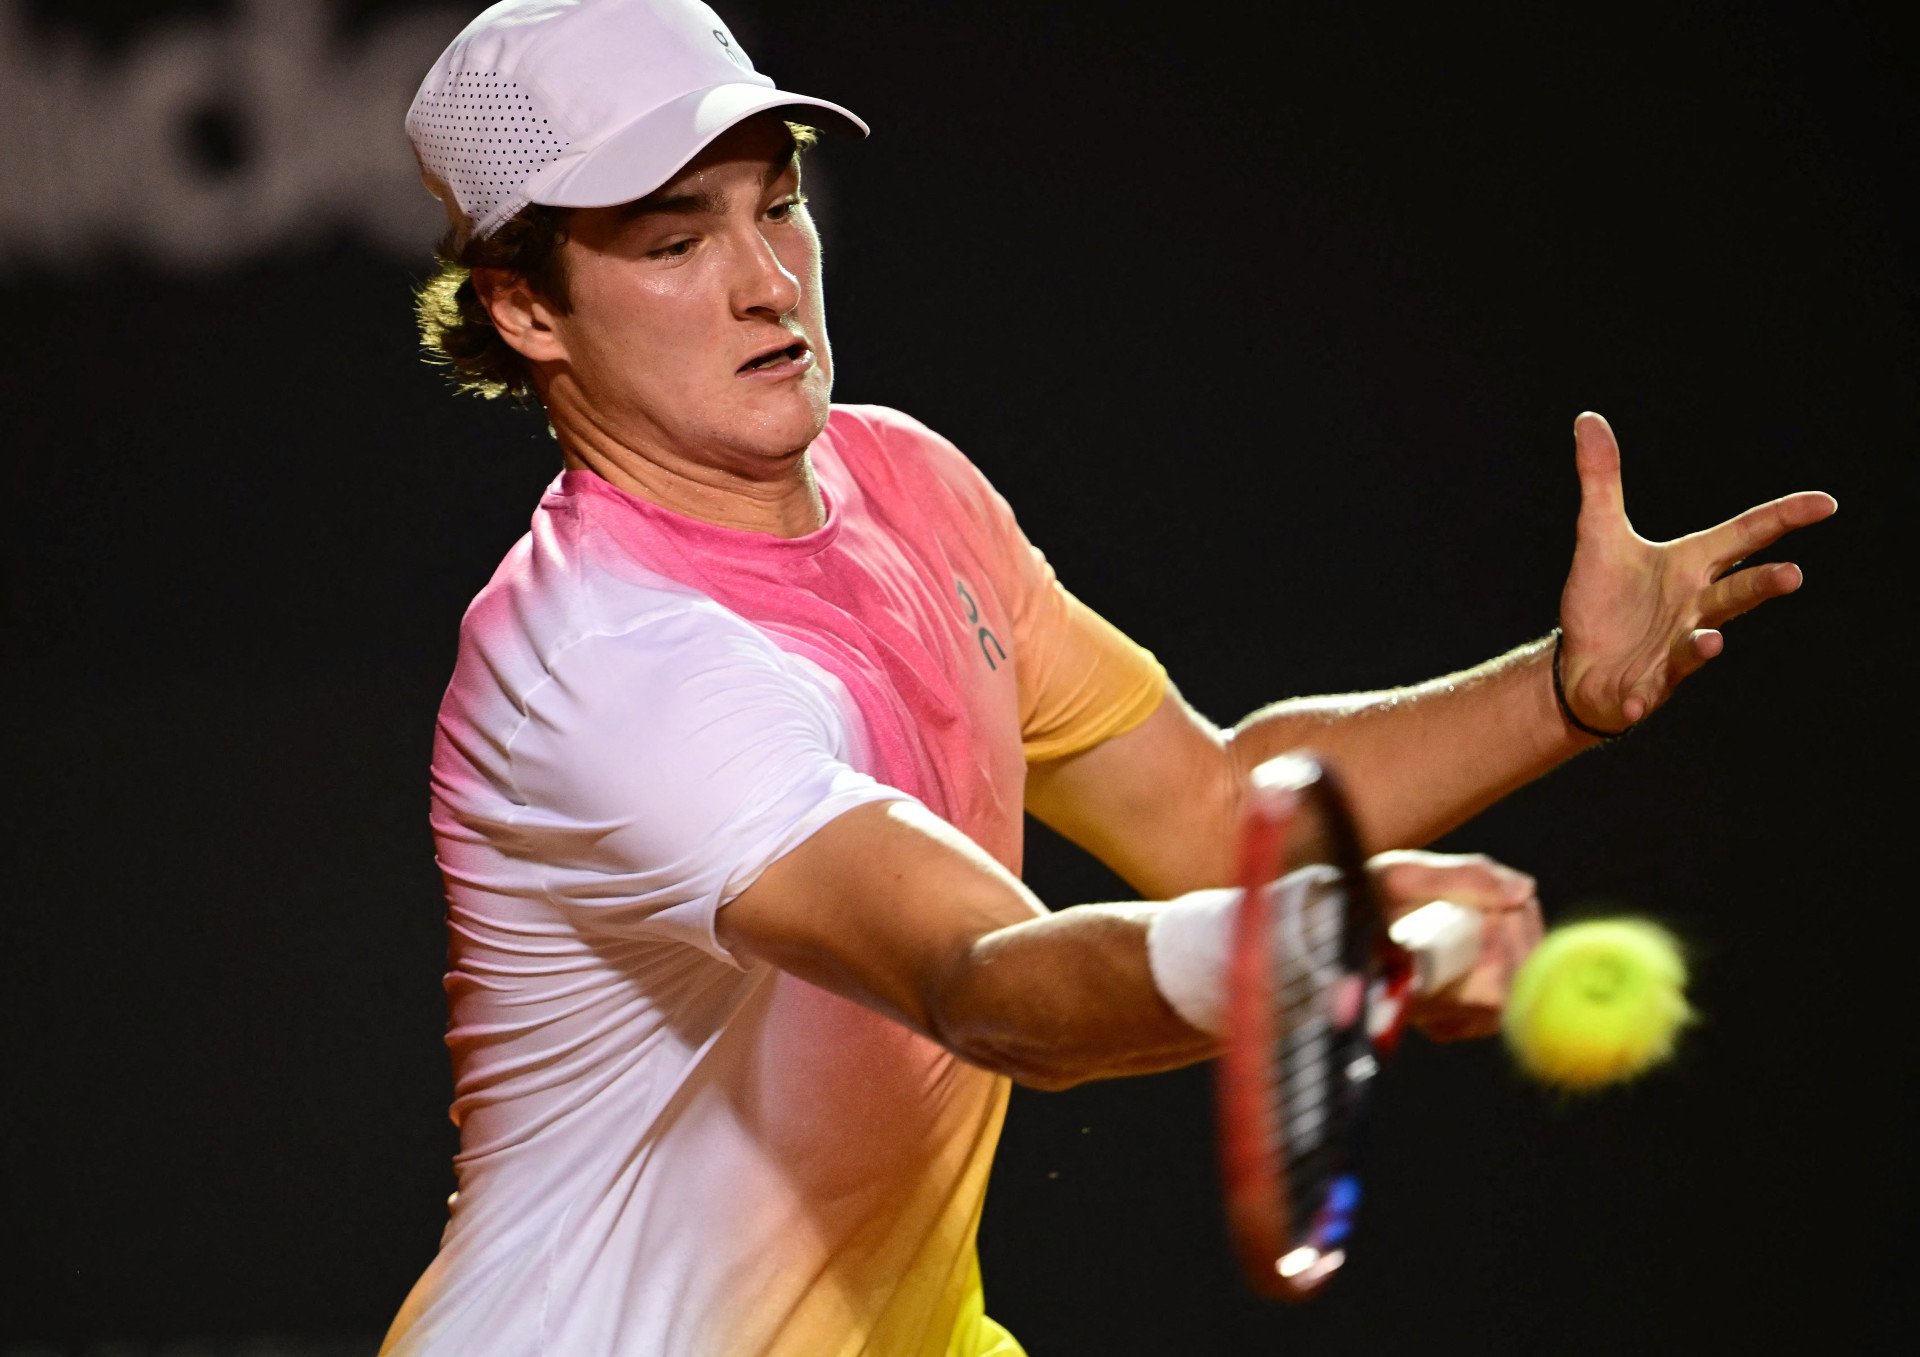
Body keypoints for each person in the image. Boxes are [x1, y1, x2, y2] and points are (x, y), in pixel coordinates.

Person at [379, 2, 1838, 1353]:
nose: (768, 282)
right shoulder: (613, 661)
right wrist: (1299, 945)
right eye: (673, 242)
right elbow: (985, 983)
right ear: (525, 311)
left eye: (779, 205)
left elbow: (1212, 809)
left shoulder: (905, 480)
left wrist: (1563, 690)